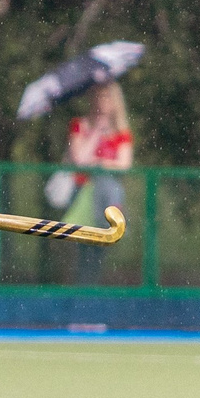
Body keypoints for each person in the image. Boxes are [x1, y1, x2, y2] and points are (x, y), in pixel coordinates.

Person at [60, 80, 133, 283]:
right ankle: (83, 286)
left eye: (107, 97)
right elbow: (79, 159)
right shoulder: (81, 126)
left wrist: (101, 163)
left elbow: (124, 164)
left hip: (107, 196)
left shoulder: (121, 133)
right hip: (83, 193)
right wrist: (96, 132)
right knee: (83, 245)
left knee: (100, 247)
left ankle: (92, 285)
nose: (102, 102)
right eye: (99, 97)